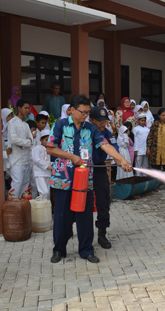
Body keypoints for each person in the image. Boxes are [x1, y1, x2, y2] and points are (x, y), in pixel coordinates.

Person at [47, 94, 132, 264]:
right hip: (63, 180)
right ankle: (59, 250)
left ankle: (86, 250)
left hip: (85, 181)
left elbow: (105, 145)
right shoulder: (60, 125)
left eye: (87, 112)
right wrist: (71, 156)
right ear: (72, 109)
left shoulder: (91, 129)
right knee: (62, 217)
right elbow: (50, 149)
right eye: (83, 112)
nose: (86, 116)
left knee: (85, 217)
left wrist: (121, 160)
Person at [90, 106, 120, 249]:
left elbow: (115, 148)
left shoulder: (108, 134)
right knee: (80, 199)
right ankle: (71, 225)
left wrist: (121, 160)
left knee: (103, 200)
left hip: (99, 168)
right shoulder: (86, 132)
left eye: (105, 121)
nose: (102, 124)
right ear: (91, 120)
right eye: (99, 121)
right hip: (84, 168)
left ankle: (102, 233)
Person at [8, 99, 33, 199]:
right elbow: (14, 139)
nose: (28, 110)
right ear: (19, 108)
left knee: (25, 185)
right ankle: (12, 207)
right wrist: (26, 142)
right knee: (17, 183)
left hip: (26, 159)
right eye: (25, 108)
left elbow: (32, 141)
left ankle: (21, 209)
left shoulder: (26, 125)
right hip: (16, 159)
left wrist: (24, 143)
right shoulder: (12, 123)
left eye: (29, 108)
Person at [147, 108, 165, 190]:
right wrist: (148, 148)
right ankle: (155, 185)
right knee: (156, 169)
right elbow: (150, 136)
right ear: (159, 116)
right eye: (162, 115)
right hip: (155, 150)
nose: (164, 117)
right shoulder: (155, 124)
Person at [31, 130, 52, 200]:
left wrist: (52, 165)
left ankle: (46, 209)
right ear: (41, 140)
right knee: (44, 192)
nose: (48, 142)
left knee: (48, 193)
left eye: (49, 140)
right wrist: (47, 167)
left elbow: (49, 161)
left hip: (47, 173)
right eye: (46, 140)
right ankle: (42, 208)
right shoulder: (37, 148)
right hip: (39, 173)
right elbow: (36, 160)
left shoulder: (50, 149)